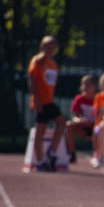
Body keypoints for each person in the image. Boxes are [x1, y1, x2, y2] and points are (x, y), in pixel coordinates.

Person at [28, 35, 66, 171]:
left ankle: (51, 152)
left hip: (49, 101)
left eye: (53, 47)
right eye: (48, 47)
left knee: (61, 122)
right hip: (41, 101)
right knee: (41, 130)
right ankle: (40, 162)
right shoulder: (38, 61)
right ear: (42, 47)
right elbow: (32, 80)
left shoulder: (54, 64)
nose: (51, 49)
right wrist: (36, 100)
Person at [66, 74, 98, 164]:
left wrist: (93, 123)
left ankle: (97, 154)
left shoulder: (98, 98)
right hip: (84, 127)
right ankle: (72, 154)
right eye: (83, 84)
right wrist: (81, 120)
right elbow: (75, 116)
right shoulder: (79, 99)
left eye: (88, 84)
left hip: (96, 128)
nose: (85, 87)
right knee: (69, 126)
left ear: (94, 87)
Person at [91, 72, 104, 168]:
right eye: (103, 83)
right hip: (100, 124)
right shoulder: (98, 97)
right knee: (101, 128)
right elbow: (97, 112)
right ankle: (99, 155)